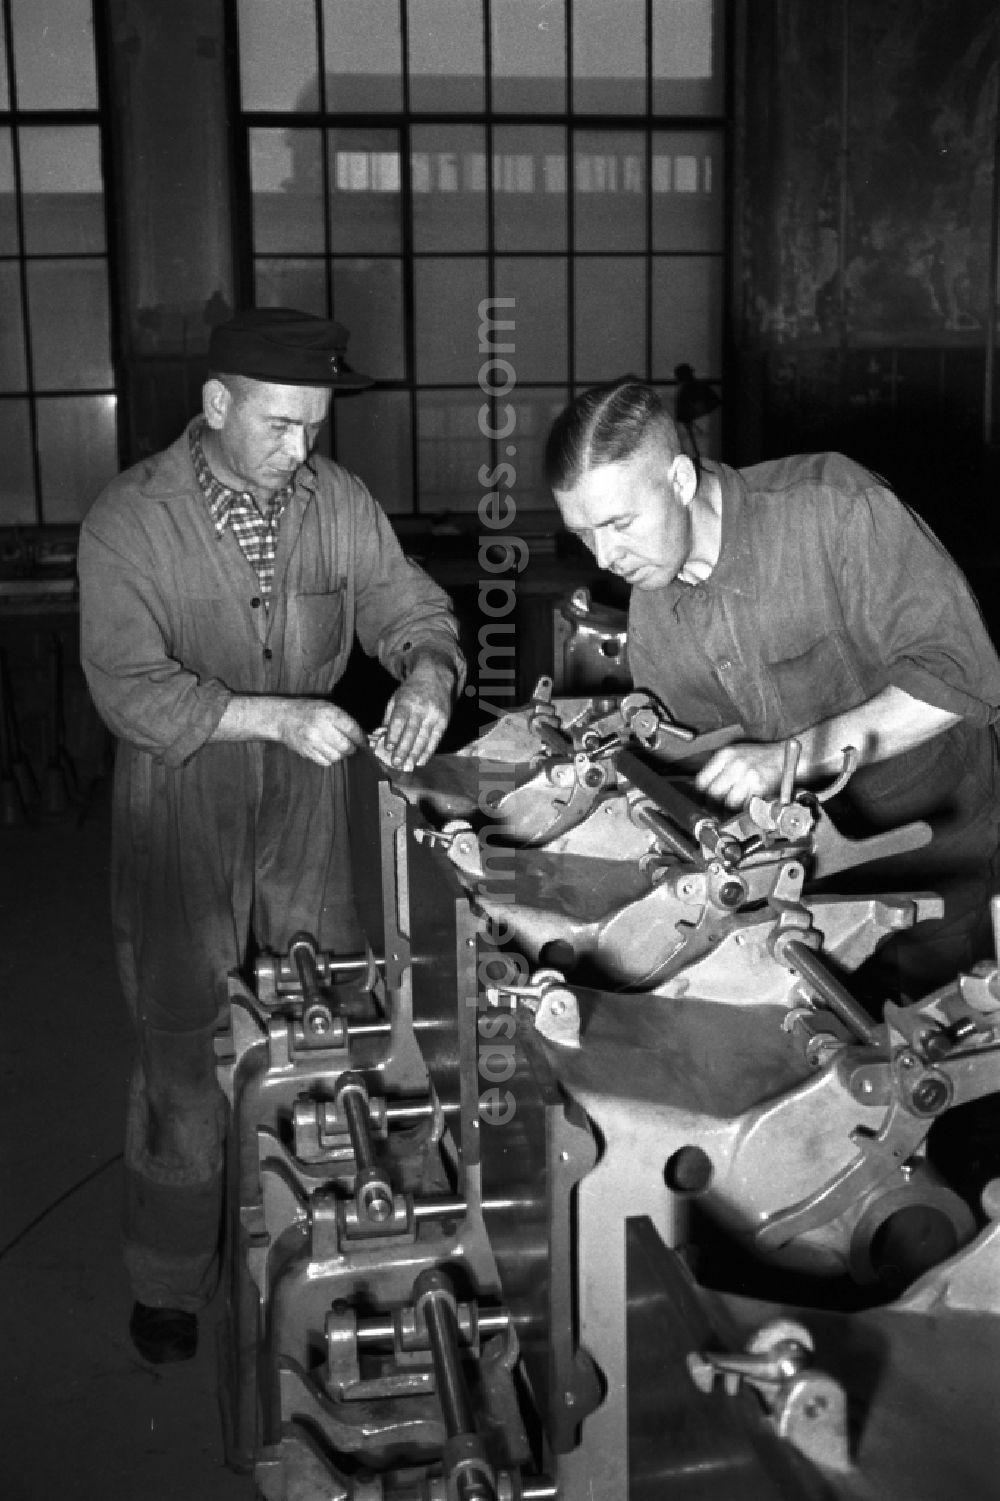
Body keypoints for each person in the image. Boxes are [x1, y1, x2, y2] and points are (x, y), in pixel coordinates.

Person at [78, 308, 464, 1364]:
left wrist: (427, 668)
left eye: (315, 427)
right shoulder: (130, 517)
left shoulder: (335, 503)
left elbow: (406, 604)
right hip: (181, 801)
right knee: (181, 1047)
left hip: (307, 804)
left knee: (323, 1020)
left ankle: (319, 1252)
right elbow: (127, 684)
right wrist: (274, 715)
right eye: (283, 426)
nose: (304, 450)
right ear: (217, 406)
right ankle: (168, 1277)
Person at [544, 376, 1000, 1003]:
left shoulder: (830, 508)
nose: (604, 557)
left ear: (679, 480)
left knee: (942, 1041)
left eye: (619, 524)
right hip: (811, 889)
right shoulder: (654, 609)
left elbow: (963, 678)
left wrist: (795, 754)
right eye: (584, 534)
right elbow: (697, 769)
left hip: (939, 852)